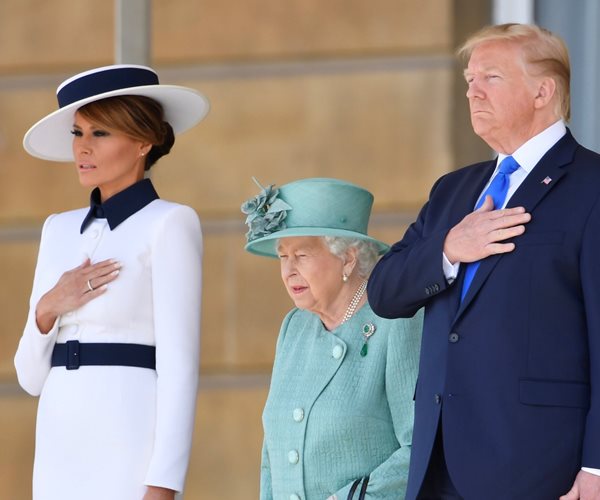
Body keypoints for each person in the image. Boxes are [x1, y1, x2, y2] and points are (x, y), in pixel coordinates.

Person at [367, 22, 600, 500]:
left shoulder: (593, 186)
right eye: (469, 79)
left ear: (542, 91)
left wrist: (597, 468)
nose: (473, 91)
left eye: (490, 77)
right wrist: (449, 249)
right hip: (438, 461)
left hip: (540, 469)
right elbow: (384, 291)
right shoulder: (453, 190)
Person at [14, 64, 209, 500]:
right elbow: (29, 377)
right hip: (58, 442)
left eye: (99, 134)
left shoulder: (171, 223)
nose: (82, 149)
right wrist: (49, 305)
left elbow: (180, 366)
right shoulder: (56, 229)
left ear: (144, 141)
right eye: (77, 133)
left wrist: (163, 483)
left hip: (129, 440)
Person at [241, 177, 422, 500]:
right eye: (284, 256)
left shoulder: (396, 321)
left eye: (302, 256)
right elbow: (273, 455)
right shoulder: (294, 327)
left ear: (348, 259)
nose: (288, 270)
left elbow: (419, 446)